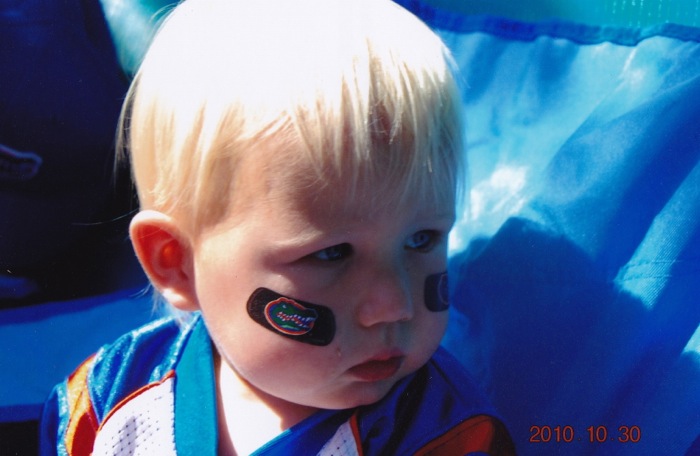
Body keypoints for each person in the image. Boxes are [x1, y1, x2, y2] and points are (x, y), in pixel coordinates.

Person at [40, 0, 515, 454]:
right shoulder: (105, 405)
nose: (394, 305)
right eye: (332, 253)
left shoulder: (443, 437)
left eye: (421, 240)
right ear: (177, 264)